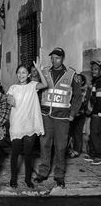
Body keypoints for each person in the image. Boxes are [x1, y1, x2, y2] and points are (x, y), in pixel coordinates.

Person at [36, 48, 83, 187]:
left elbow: (78, 96)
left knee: (61, 147)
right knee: (44, 145)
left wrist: (73, 113)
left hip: (62, 118)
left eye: (57, 58)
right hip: (46, 115)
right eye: (52, 57)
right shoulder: (44, 72)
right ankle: (43, 173)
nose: (53, 60)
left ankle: (59, 175)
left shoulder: (71, 74)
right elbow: (38, 92)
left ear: (62, 58)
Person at [6, 61, 48, 188]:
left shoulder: (33, 85)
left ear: (29, 74)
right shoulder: (12, 87)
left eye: (24, 72)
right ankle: (13, 179)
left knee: (28, 154)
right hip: (17, 124)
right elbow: (8, 98)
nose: (21, 74)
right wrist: (9, 99)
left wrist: (39, 70)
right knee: (15, 153)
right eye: (19, 72)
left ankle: (27, 179)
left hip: (30, 124)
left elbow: (45, 84)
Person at [87, 60, 101, 165]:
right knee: (92, 133)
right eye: (92, 69)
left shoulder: (100, 81)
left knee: (95, 133)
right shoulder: (95, 81)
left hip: (98, 112)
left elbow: (99, 99)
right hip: (94, 111)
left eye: (96, 69)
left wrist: (99, 112)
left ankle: (98, 156)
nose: (93, 71)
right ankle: (93, 154)